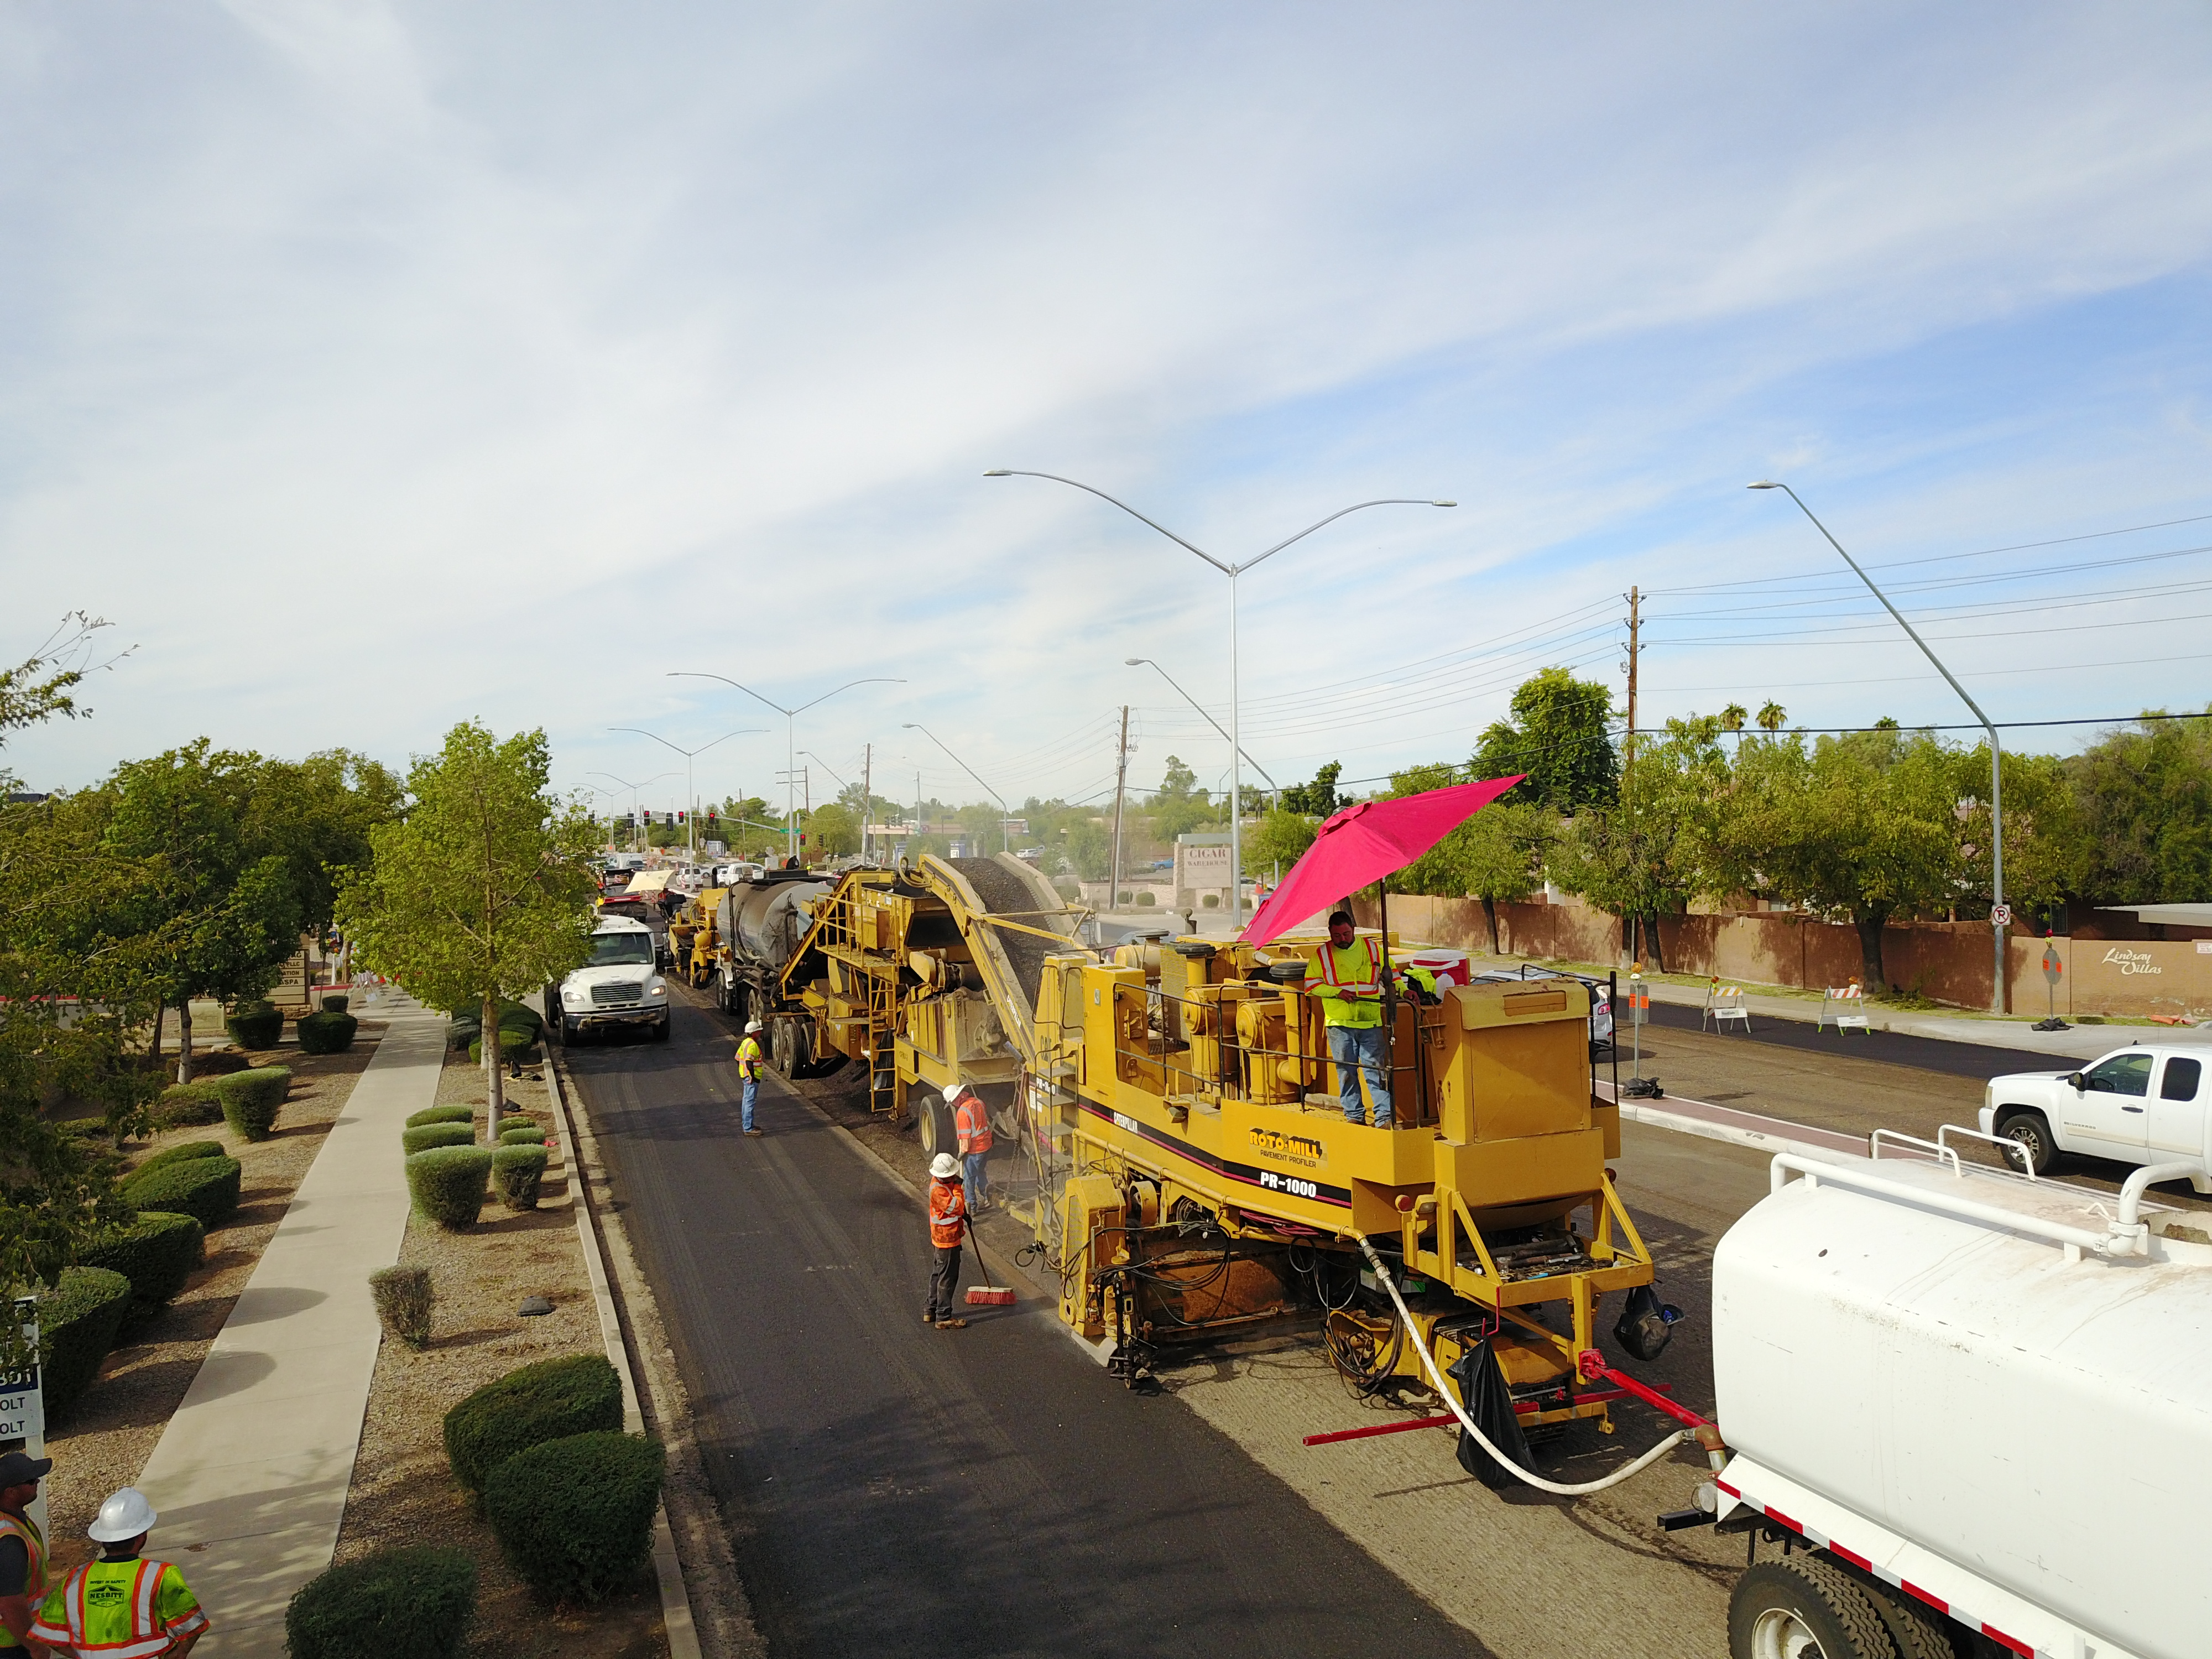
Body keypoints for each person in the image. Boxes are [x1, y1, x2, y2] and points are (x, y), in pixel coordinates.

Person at [30, 1488, 207, 1659]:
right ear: (142, 1536)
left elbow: (49, 1632)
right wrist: (179, 1653)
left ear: (103, 1538)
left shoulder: (76, 1578)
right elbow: (192, 1625)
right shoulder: (160, 1575)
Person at [1303, 909, 1394, 1128]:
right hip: (1339, 1023)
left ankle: (1384, 1116)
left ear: (1353, 930)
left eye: (1346, 934)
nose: (1342, 940)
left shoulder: (1373, 949)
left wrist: (1403, 989)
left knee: (1376, 1070)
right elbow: (1310, 985)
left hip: (1370, 1021)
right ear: (1330, 933)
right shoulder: (1322, 954)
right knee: (1346, 1072)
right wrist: (1337, 992)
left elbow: (1391, 976)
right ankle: (1354, 1115)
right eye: (1337, 936)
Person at [0, 1451, 50, 1657]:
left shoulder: (15, 1521)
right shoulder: (10, 1539)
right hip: (12, 1645)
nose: (37, 1481)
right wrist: (34, 1645)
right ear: (10, 1492)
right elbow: (10, 1602)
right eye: (31, 1480)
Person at [924, 1151, 968, 1329]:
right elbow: (956, 1207)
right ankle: (943, 1316)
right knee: (948, 1278)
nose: (955, 1176)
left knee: (938, 1274)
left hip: (942, 1237)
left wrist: (965, 1215)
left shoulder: (938, 1183)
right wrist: (958, 1189)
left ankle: (930, 1310)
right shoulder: (939, 1191)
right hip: (947, 1240)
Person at [946, 1083, 993, 1212]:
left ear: (956, 1099)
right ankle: (988, 1196)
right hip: (987, 1145)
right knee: (980, 1172)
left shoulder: (962, 1112)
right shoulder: (979, 1102)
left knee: (969, 1177)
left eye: (952, 1102)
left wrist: (962, 1152)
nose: (953, 1105)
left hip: (976, 1149)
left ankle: (971, 1206)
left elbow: (966, 1138)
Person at [734, 1019, 766, 1136]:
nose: (759, 1034)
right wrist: (752, 1076)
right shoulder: (753, 1045)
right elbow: (749, 1062)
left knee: (746, 1101)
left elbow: (737, 1058)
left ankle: (747, 1125)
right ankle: (748, 1128)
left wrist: (743, 1072)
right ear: (754, 1033)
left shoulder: (745, 1043)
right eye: (758, 1032)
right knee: (750, 1102)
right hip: (752, 1078)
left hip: (746, 1077)